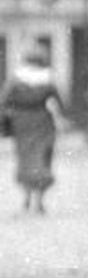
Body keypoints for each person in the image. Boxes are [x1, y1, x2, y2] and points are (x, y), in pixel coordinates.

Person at [1, 50, 68, 215]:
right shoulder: (48, 81)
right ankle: (39, 201)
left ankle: (27, 198)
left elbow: (3, 102)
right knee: (43, 159)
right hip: (43, 122)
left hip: (22, 123)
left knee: (26, 159)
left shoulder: (15, 81)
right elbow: (60, 103)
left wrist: (6, 122)